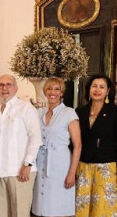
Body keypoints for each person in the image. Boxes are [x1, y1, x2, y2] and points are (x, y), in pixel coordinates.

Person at [75, 74, 117, 217]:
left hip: (107, 169)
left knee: (103, 209)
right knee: (82, 208)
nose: (97, 90)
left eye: (101, 87)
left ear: (107, 91)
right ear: (89, 89)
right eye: (94, 86)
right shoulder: (79, 112)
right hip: (83, 168)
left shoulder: (116, 112)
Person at [0, 74, 42, 217]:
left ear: (16, 88)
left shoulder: (26, 108)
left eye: (8, 84)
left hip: (20, 171)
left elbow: (36, 137)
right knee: (1, 213)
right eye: (1, 85)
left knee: (19, 213)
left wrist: (27, 164)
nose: (4, 88)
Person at [32, 77, 81, 216]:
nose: (52, 92)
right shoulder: (40, 113)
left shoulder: (69, 113)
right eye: (49, 88)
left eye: (56, 89)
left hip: (60, 164)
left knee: (57, 206)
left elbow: (78, 146)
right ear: (45, 91)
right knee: (41, 207)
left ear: (61, 93)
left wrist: (72, 173)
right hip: (41, 161)